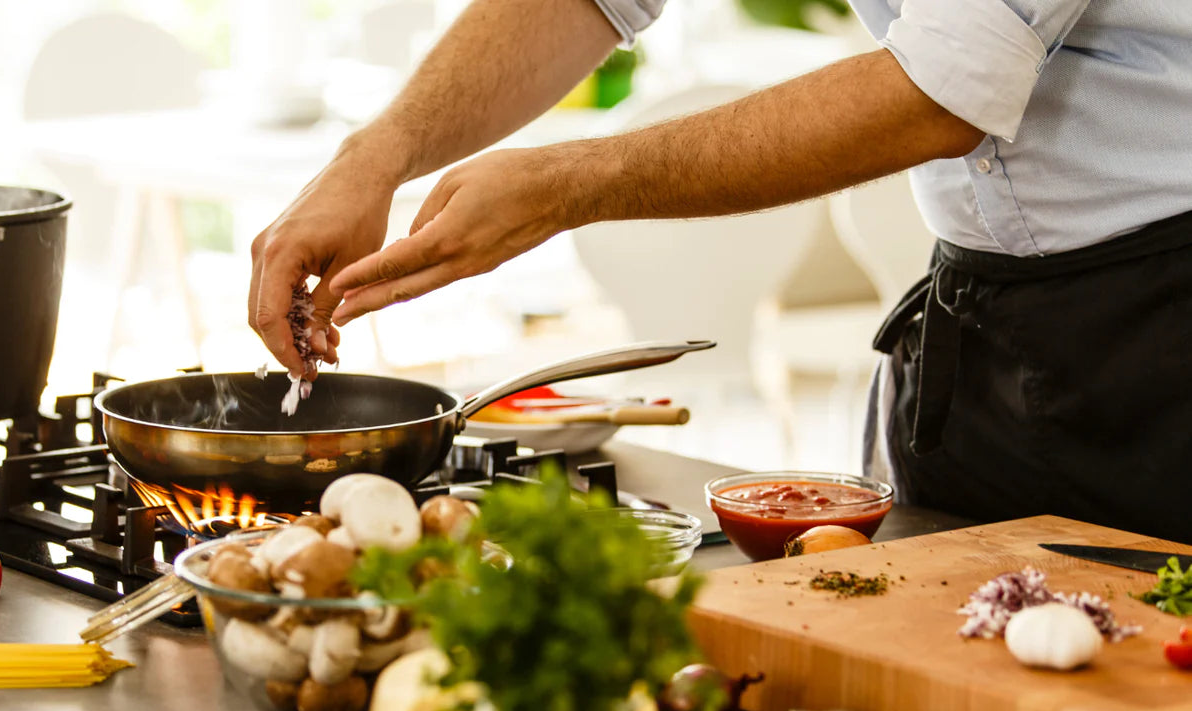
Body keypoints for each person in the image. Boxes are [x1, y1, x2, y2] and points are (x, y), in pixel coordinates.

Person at [247, 0, 1192, 543]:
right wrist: (375, 155)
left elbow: (943, 90)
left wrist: (576, 182)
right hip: (977, 325)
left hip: (1166, 325)